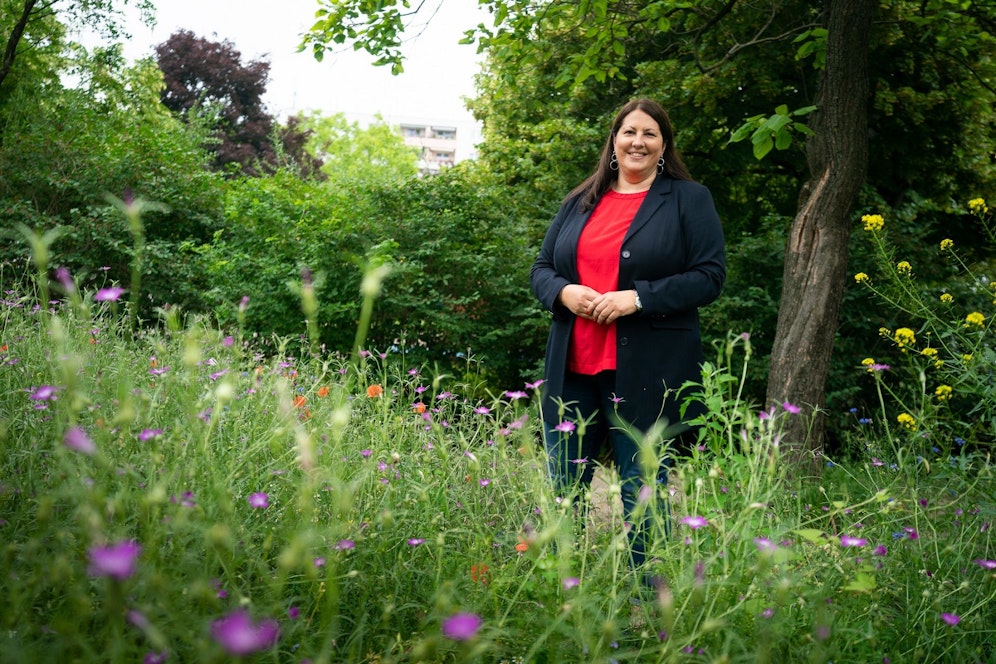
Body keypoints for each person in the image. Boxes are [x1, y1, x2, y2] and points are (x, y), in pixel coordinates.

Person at [530, 98, 726, 573]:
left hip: (647, 371)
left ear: (663, 146)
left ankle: (646, 602)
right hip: (573, 369)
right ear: (614, 142)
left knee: (643, 488)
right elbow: (541, 270)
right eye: (629, 132)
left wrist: (635, 299)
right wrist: (565, 291)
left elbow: (709, 276)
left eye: (650, 134)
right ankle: (565, 588)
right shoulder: (579, 202)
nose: (638, 141)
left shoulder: (688, 199)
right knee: (564, 486)